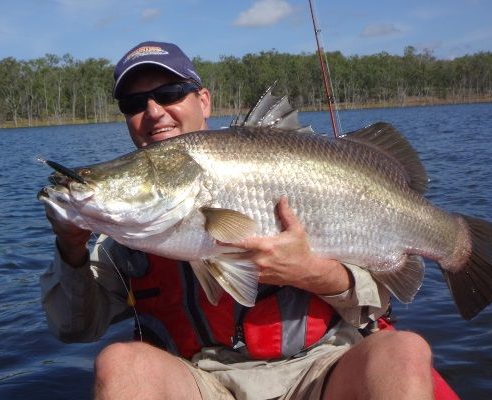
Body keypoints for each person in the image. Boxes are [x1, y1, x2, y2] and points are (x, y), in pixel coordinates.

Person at [41, 41, 435, 400]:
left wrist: (311, 271)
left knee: (404, 351)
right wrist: (71, 247)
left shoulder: (203, 187)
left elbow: (379, 302)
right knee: (120, 363)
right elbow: (74, 328)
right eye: (133, 103)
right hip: (199, 381)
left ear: (204, 100)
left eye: (169, 94)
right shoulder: (121, 237)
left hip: (320, 370)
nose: (153, 111)